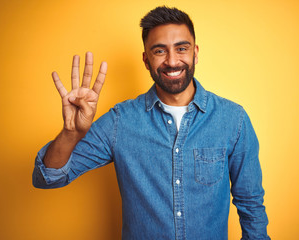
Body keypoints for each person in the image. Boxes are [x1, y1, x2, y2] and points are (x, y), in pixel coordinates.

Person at [33, 6, 270, 240]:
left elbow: (250, 203)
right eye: (159, 51)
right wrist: (71, 133)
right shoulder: (120, 121)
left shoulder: (233, 119)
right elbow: (48, 178)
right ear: (146, 60)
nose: (172, 60)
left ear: (195, 53)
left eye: (181, 48)